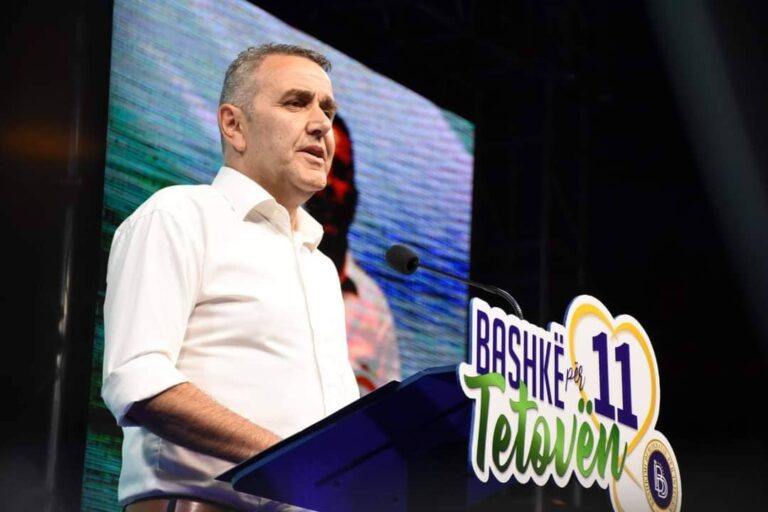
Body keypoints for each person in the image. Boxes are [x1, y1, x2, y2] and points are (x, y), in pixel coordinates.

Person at [101, 44, 359, 512]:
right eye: (296, 102)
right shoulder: (180, 214)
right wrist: (290, 462)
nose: (322, 124)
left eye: (327, 109)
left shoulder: (320, 266)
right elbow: (137, 381)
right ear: (233, 124)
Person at [304, 116, 400, 394]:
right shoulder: (270, 266)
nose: (330, 185)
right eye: (321, 166)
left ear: (354, 196)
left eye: (341, 172)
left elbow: (392, 406)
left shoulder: (373, 304)